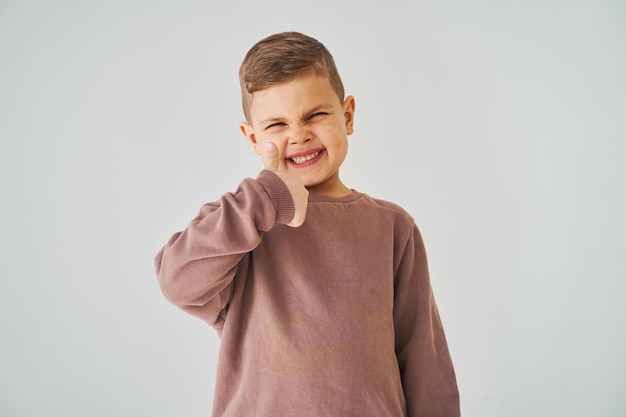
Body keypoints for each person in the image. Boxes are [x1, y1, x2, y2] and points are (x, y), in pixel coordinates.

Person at [155, 31, 460, 417]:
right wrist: (265, 198)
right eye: (276, 125)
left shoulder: (393, 227)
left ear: (347, 115)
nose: (298, 135)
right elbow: (177, 281)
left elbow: (423, 359)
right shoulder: (238, 224)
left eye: (315, 115)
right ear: (252, 137)